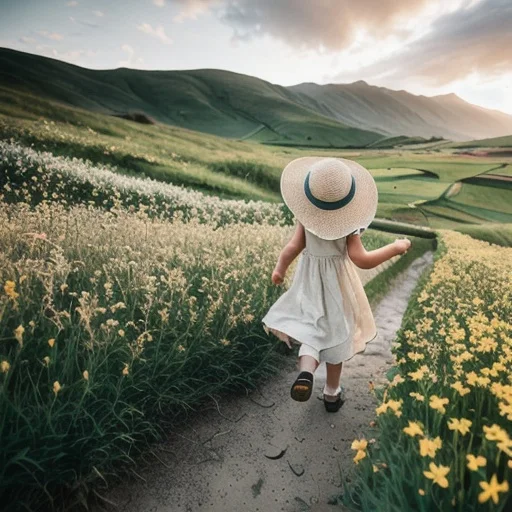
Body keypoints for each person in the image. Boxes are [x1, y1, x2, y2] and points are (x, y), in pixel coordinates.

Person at [262, 157, 411, 412]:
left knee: (311, 328)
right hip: (337, 287)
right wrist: (395, 248)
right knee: (336, 335)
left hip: (308, 283)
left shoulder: (305, 219)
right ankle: (332, 393)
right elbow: (362, 260)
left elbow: (292, 247)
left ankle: (306, 371)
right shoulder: (349, 226)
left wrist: (279, 269)